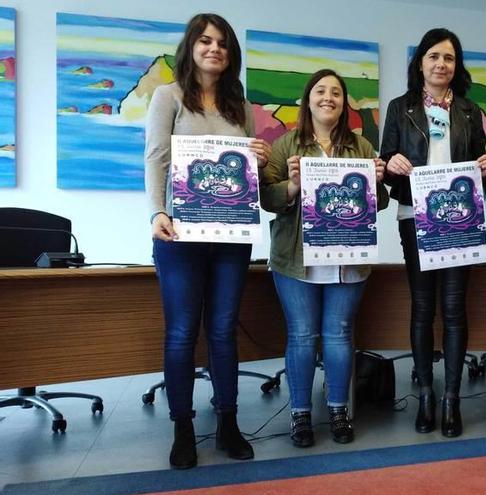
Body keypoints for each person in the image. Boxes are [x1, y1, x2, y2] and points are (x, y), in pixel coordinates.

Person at [144, 13, 271, 469]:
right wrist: (157, 211)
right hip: (180, 235)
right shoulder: (168, 96)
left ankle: (228, 422)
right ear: (191, 47)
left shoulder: (244, 108)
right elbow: (157, 157)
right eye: (205, 41)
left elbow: (247, 178)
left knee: (222, 329)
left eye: (222, 43)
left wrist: (257, 158)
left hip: (232, 237)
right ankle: (182, 427)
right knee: (181, 333)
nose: (214, 48)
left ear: (231, 53)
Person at [260, 69, 387, 448]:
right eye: (320, 90)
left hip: (347, 259)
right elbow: (267, 198)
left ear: (344, 102)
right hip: (295, 259)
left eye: (336, 92)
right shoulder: (286, 145)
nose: (328, 97)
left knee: (339, 336)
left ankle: (337, 410)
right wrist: (294, 187)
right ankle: (300, 414)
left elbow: (377, 204)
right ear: (308, 99)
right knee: (301, 336)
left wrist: (378, 185)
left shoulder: (362, 147)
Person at [380, 28, 486, 438]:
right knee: (422, 306)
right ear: (421, 64)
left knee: (453, 308)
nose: (441, 64)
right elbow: (384, 161)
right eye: (433, 57)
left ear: (455, 65)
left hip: (460, 218)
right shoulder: (400, 108)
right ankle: (426, 394)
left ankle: (452, 399)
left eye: (448, 58)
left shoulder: (469, 110)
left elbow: (483, 168)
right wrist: (391, 163)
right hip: (415, 214)